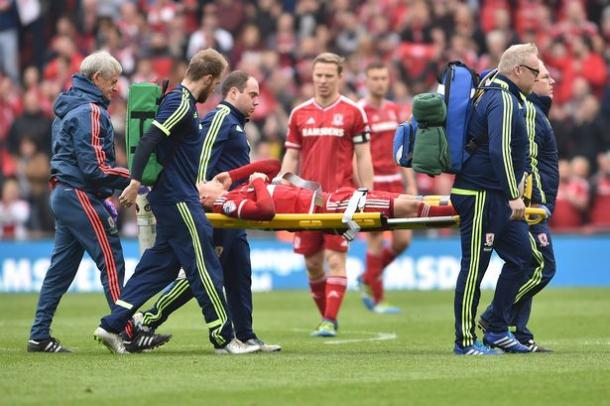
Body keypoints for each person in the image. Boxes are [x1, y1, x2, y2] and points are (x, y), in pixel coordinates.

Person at [94, 49, 258, 355]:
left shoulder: (185, 105)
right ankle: (224, 339)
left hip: (173, 199)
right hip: (180, 200)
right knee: (207, 268)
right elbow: (149, 141)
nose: (215, 90)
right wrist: (134, 182)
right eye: (216, 82)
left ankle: (111, 325)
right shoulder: (181, 103)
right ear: (208, 79)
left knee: (158, 268)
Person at [135, 71, 281, 352]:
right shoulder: (219, 119)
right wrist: (201, 201)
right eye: (252, 95)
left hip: (235, 212)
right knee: (203, 276)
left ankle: (246, 335)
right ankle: (148, 319)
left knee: (239, 272)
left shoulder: (235, 124)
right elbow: (201, 167)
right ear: (233, 93)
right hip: (219, 213)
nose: (257, 102)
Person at [28, 51, 147, 352]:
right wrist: (137, 177)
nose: (116, 88)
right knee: (111, 260)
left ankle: (39, 335)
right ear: (97, 79)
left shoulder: (68, 107)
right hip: (79, 193)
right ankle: (128, 330)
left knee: (61, 270)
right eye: (113, 81)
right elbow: (96, 168)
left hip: (63, 194)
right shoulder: (91, 111)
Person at [450, 43, 540, 355]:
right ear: (518, 71)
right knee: (474, 266)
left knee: (522, 259)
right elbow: (498, 149)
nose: (539, 75)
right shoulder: (501, 98)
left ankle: (497, 328)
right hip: (480, 193)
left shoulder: (503, 93)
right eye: (535, 70)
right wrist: (515, 195)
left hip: (497, 195)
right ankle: (464, 341)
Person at [280, 52, 375, 337]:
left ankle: (329, 321)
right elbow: (291, 157)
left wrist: (367, 194)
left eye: (328, 76)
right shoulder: (299, 113)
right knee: (312, 264)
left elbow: (363, 156)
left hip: (341, 199)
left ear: (340, 77)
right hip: (306, 201)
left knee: (335, 258)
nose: (322, 81)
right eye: (318, 75)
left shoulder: (353, 112)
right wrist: (282, 186)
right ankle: (327, 317)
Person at [480, 60, 558, 352]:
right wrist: (536, 199)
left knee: (529, 264)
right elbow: (530, 162)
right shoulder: (529, 113)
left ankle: (519, 332)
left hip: (534, 202)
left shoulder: (537, 113)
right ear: (528, 79)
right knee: (541, 267)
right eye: (544, 76)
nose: (550, 81)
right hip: (529, 204)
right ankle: (494, 316)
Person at [198, 159, 455, 220]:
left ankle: (459, 208)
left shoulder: (234, 191)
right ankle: (462, 212)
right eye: (205, 182)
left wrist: (234, 175)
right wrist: (256, 182)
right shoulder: (226, 205)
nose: (209, 180)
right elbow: (265, 210)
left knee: (407, 199)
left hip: (330, 198)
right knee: (408, 206)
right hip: (329, 207)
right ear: (204, 197)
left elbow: (273, 165)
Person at [357, 61, 417, 314]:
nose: (380, 82)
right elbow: (355, 154)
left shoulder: (395, 110)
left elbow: (404, 151)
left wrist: (410, 183)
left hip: (395, 182)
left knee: (403, 240)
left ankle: (366, 276)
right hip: (374, 184)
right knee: (375, 240)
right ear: (366, 81)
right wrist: (362, 188)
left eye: (384, 78)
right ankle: (378, 300)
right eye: (375, 78)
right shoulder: (359, 111)